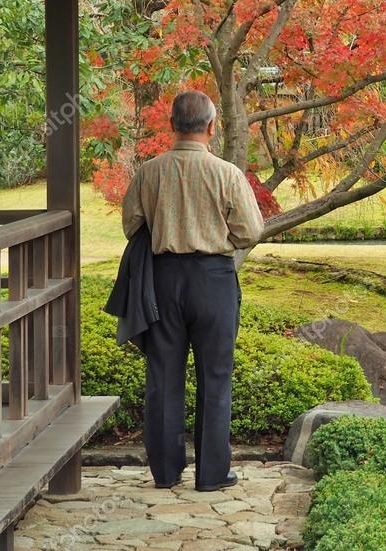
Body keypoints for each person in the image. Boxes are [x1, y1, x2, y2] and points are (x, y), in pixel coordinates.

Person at [122, 90, 264, 491]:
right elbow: (250, 231)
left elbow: (131, 225)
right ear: (212, 127)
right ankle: (212, 474)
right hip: (214, 280)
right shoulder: (227, 174)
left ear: (171, 125)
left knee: (163, 376)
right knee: (215, 378)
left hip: (162, 281)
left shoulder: (149, 172)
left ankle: (165, 473)